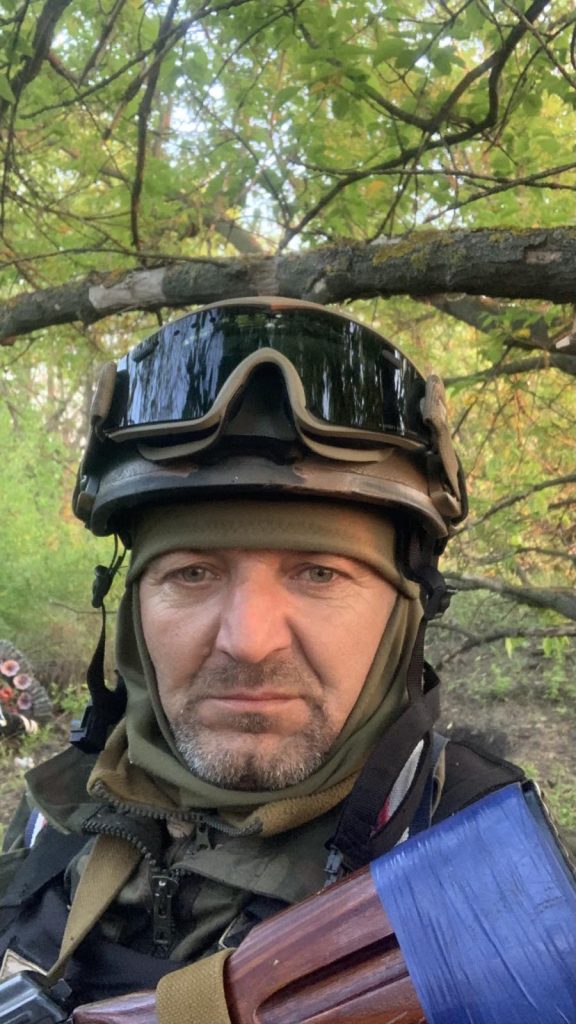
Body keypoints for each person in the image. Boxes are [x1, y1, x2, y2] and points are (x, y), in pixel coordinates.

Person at [0, 298, 540, 1016]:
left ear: (404, 612)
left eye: (319, 574)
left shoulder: (490, 880)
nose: (249, 641)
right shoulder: (59, 811)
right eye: (192, 573)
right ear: (131, 610)